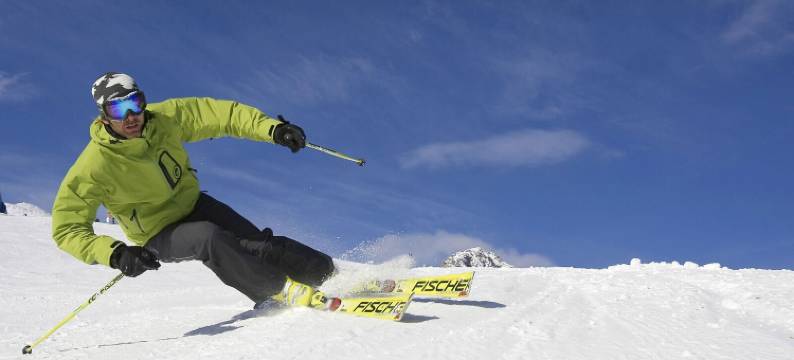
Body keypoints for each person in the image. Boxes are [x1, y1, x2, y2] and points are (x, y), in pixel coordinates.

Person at [52, 72, 335, 308]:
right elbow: (67, 228)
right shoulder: (95, 164)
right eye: (117, 110)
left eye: (135, 103)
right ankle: (278, 293)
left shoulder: (164, 120)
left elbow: (223, 115)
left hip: (193, 203)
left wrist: (272, 129)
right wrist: (115, 253)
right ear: (103, 116)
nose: (130, 117)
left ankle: (328, 274)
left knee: (259, 244)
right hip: (157, 232)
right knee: (209, 238)